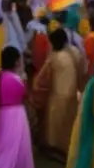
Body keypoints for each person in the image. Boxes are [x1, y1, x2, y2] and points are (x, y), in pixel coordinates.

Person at [31, 27, 83, 160]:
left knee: (54, 125)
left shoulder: (54, 57)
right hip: (73, 94)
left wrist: (36, 86)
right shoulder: (76, 51)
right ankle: (69, 149)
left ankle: (55, 149)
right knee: (69, 122)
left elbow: (41, 77)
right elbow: (82, 71)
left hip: (58, 95)